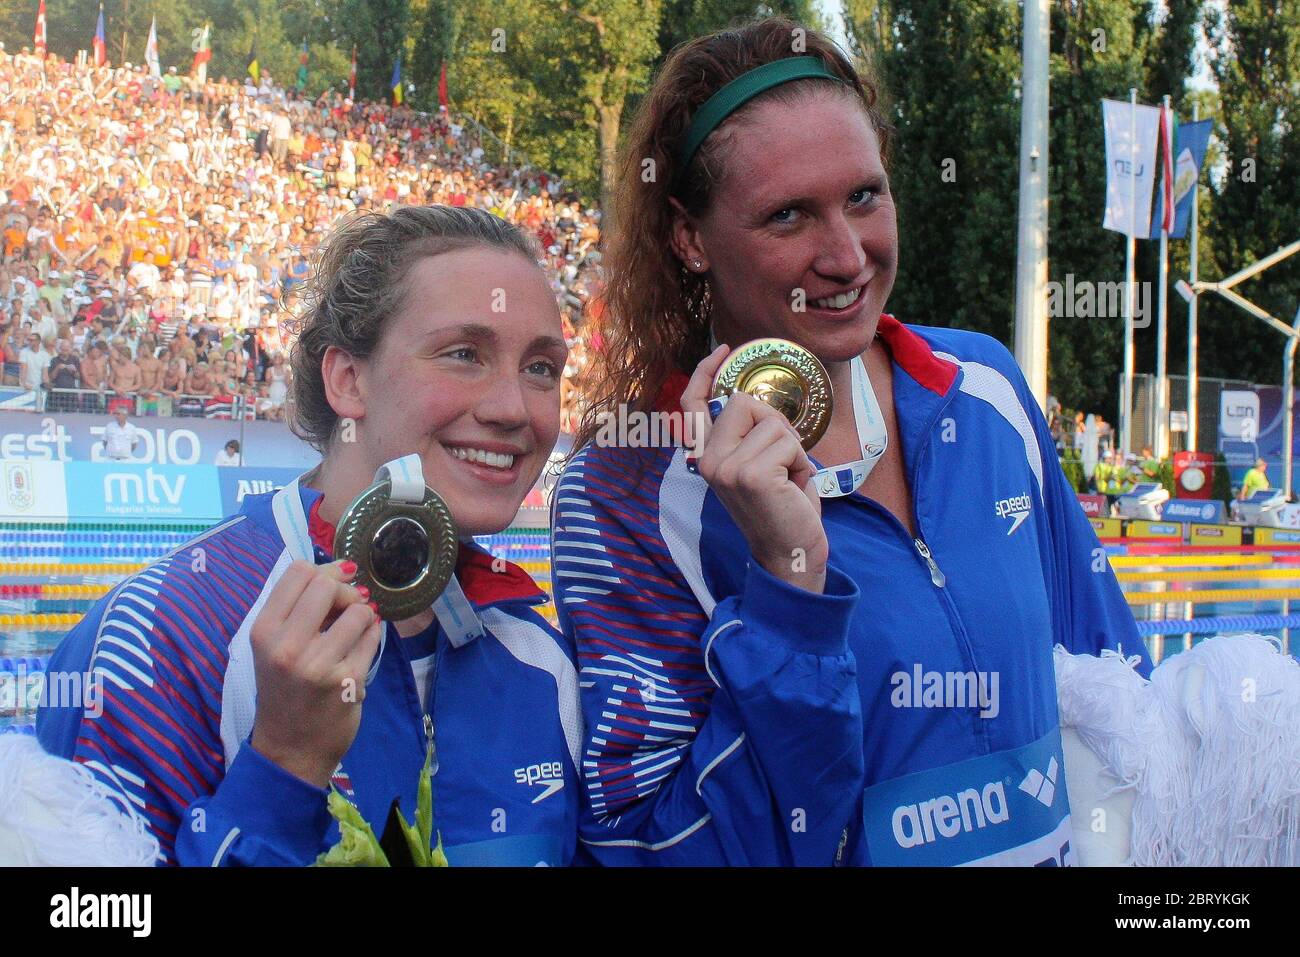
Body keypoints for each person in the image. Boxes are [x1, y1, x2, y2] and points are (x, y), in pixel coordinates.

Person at [551, 17, 1151, 867]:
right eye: (788, 215)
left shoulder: (982, 389)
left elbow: (1117, 689)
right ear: (690, 238)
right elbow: (651, 850)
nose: (846, 255)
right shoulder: (626, 490)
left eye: (864, 197)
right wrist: (788, 594)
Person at [39, 205, 580, 867]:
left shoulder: (540, 659)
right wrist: (284, 770)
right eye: (464, 354)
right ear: (348, 379)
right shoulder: (159, 634)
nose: (514, 408)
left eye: (542, 368)